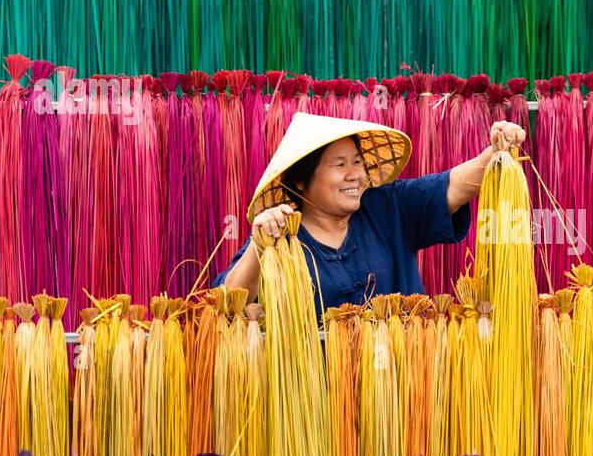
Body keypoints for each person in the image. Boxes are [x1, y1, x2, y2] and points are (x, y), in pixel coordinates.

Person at [215, 114, 526, 316]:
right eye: (340, 165)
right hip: (320, 401)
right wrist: (259, 247)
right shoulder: (278, 238)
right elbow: (228, 305)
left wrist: (495, 152)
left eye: (357, 162)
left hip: (402, 389)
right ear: (300, 182)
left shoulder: (387, 207)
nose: (356, 175)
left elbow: (454, 185)